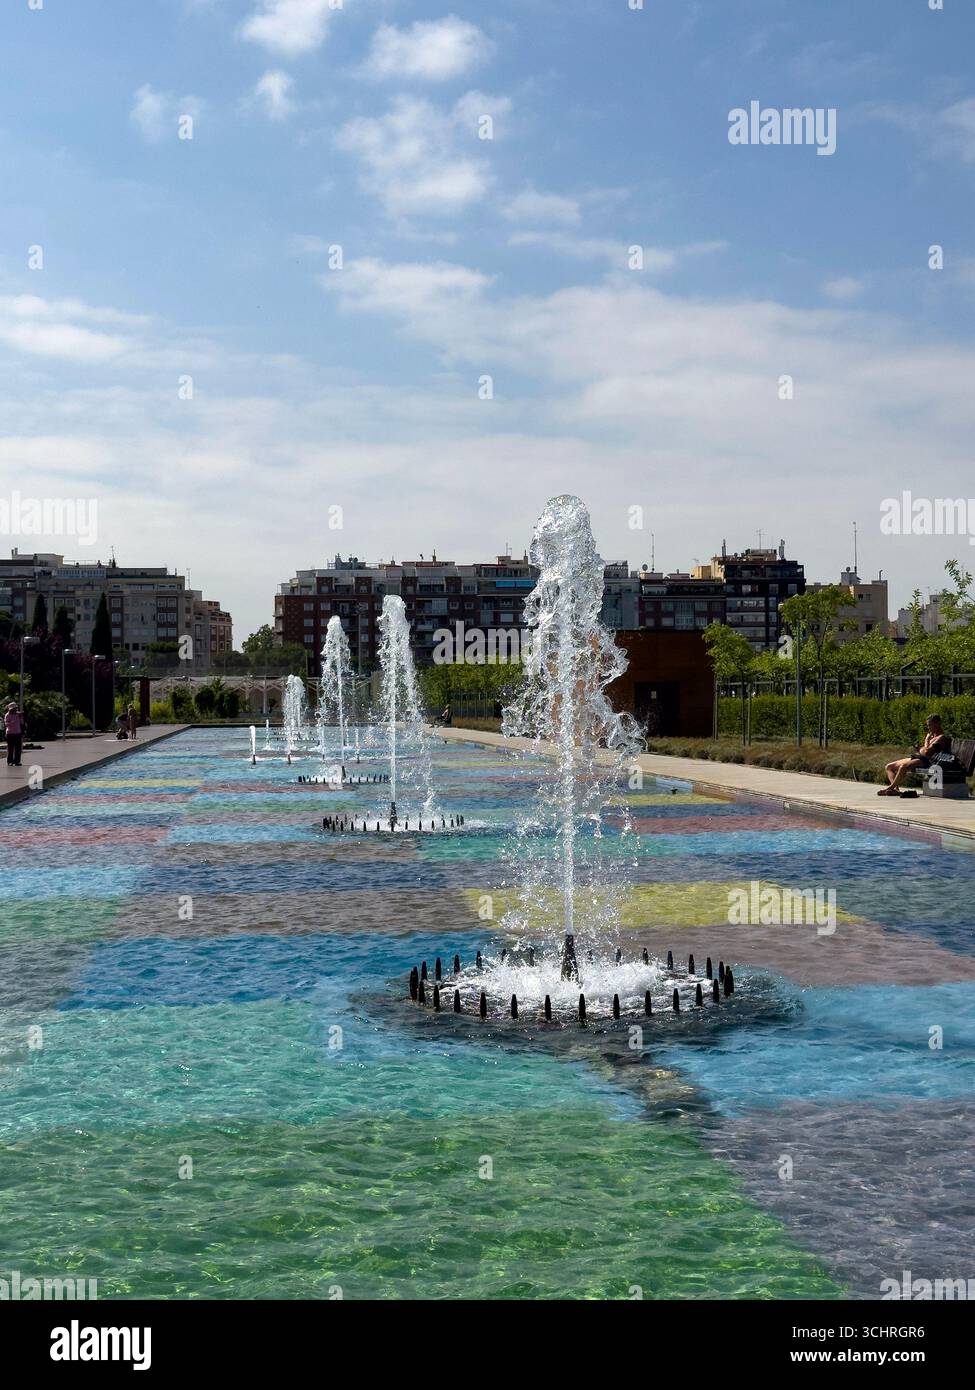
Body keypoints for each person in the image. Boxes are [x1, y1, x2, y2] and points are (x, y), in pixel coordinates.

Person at [879, 713, 953, 796]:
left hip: (927, 761)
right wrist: (921, 749)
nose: (928, 728)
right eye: (928, 725)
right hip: (919, 757)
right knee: (889, 767)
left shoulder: (941, 737)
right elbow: (924, 750)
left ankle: (890, 788)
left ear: (937, 724)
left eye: (930, 725)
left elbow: (926, 753)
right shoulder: (932, 736)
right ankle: (895, 789)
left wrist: (926, 740)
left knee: (903, 767)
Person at [4, 702, 25, 766]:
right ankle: (10, 761)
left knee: (18, 748)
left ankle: (17, 761)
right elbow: (6, 724)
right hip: (10, 733)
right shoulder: (7, 715)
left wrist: (21, 717)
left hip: (17, 732)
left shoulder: (18, 715)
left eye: (15, 708)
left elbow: (22, 723)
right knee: (10, 748)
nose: (15, 710)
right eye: (13, 708)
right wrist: (13, 722)